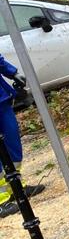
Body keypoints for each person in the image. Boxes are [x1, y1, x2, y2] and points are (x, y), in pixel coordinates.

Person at [0, 55, 45, 218]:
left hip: (2, 100)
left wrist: (12, 72)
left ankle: (16, 187)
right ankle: (1, 200)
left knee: (13, 145)